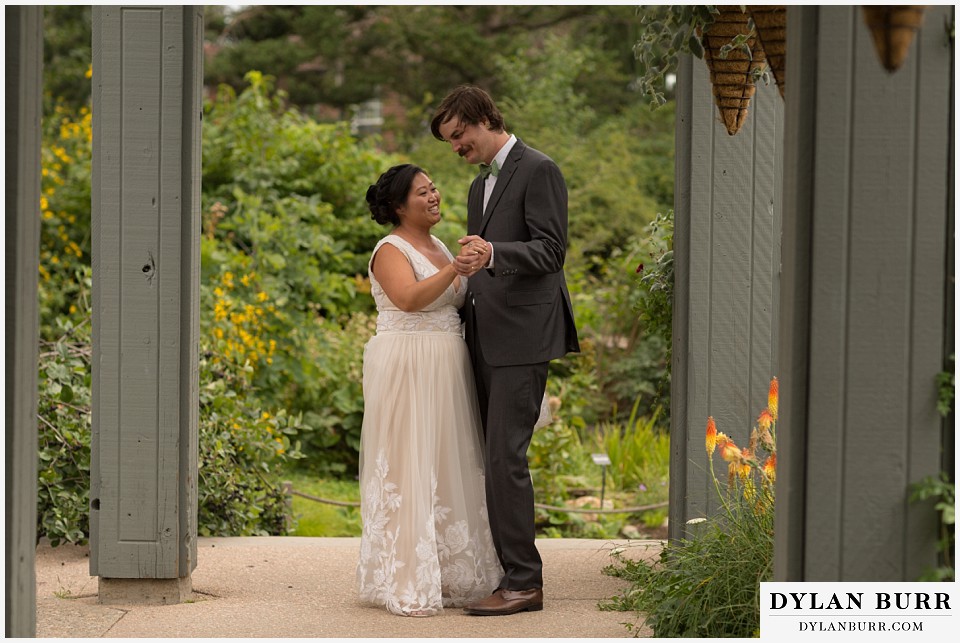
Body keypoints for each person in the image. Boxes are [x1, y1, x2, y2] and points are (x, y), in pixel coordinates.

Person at [430, 85, 580, 616]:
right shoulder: (478, 187)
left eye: (459, 135)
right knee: (491, 460)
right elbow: (485, 261)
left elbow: (552, 250)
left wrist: (494, 251)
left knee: (505, 459)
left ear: (483, 119)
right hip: (483, 334)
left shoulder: (539, 169)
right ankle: (508, 573)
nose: (455, 147)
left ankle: (524, 583)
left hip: (522, 337)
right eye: (450, 141)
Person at [355, 164, 503, 617]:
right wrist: (456, 270)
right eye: (423, 192)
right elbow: (409, 299)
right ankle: (407, 577)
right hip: (408, 362)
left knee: (446, 462)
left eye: (434, 187)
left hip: (446, 363)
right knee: (409, 463)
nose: (434, 195)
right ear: (399, 206)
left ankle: (452, 572)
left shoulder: (439, 244)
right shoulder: (389, 249)